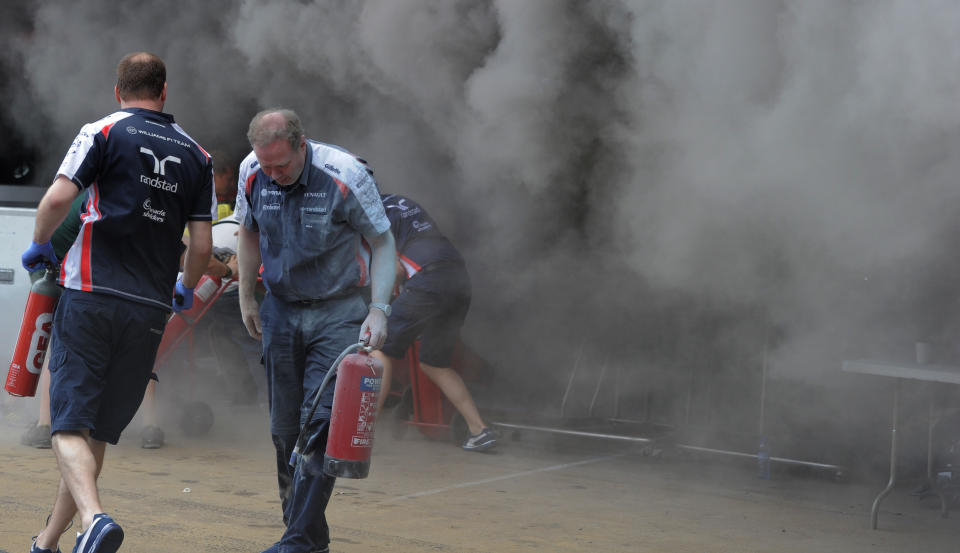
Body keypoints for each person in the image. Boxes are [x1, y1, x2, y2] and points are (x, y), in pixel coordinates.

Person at [22, 52, 213, 553]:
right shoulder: (198, 155)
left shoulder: (103, 131)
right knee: (97, 431)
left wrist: (41, 242)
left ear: (117, 90)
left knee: (66, 425)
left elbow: (59, 198)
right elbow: (203, 247)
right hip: (149, 307)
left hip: (90, 295)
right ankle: (48, 542)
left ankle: (94, 517)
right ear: (165, 90)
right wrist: (185, 285)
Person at [236, 108, 396, 553]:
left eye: (281, 165)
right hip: (281, 311)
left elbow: (383, 241)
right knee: (284, 432)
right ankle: (308, 538)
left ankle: (296, 540)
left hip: (338, 312)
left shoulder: (344, 175)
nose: (273, 174)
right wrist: (247, 296)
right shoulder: (253, 172)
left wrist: (379, 309)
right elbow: (248, 234)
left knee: (319, 425)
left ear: (302, 144)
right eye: (265, 165)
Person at [372, 194, 497, 451]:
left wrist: (379, 304)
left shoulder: (372, 213)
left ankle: (363, 431)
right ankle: (480, 431)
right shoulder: (403, 203)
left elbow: (395, 269)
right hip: (458, 279)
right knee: (434, 362)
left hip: (427, 280)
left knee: (380, 345)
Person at [20, 192, 86, 449]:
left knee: (66, 344)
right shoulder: (95, 197)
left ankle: (48, 420)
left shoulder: (92, 191)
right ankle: (44, 425)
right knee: (59, 345)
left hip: (58, 268)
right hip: (51, 272)